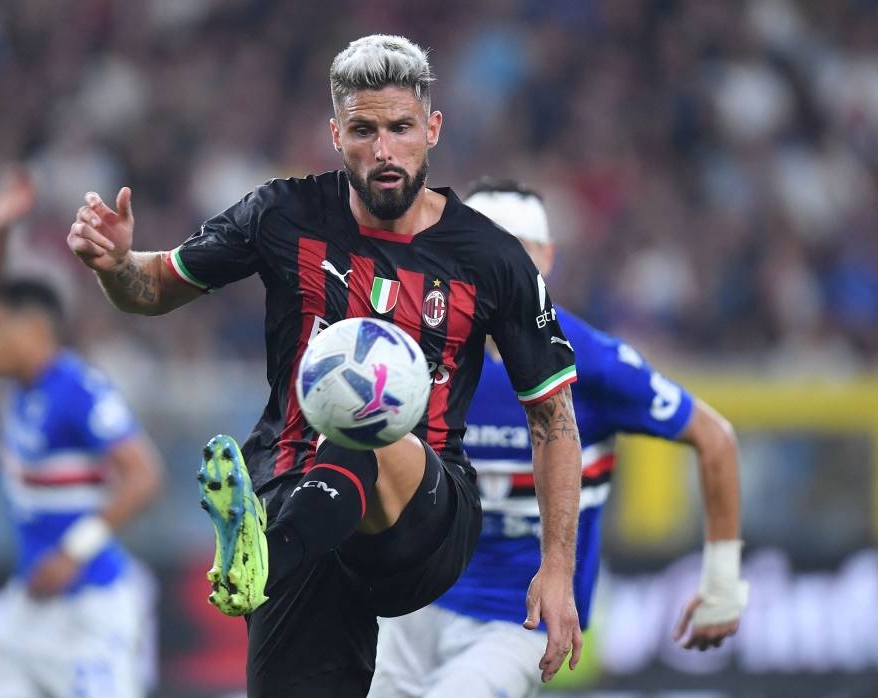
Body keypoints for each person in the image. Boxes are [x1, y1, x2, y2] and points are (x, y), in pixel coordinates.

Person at [66, 35, 583, 698]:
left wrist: (557, 567)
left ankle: (263, 559)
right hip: (295, 496)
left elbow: (553, 416)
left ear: (432, 130)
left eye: (400, 128)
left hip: (423, 513)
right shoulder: (282, 213)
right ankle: (268, 556)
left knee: (360, 406)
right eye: (364, 130)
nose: (384, 150)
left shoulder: (492, 258)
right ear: (336, 134)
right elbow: (160, 285)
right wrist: (115, 268)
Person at [370, 179, 749, 698]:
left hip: (517, 620)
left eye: (516, 248)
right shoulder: (416, 349)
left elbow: (716, 438)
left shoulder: (592, 360)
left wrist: (723, 585)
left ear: (547, 258)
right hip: (414, 604)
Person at [0, 172, 164, 698]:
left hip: (89, 608)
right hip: (28, 610)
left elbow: (144, 476)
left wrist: (72, 552)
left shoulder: (76, 387)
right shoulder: (22, 385)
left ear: (32, 330)